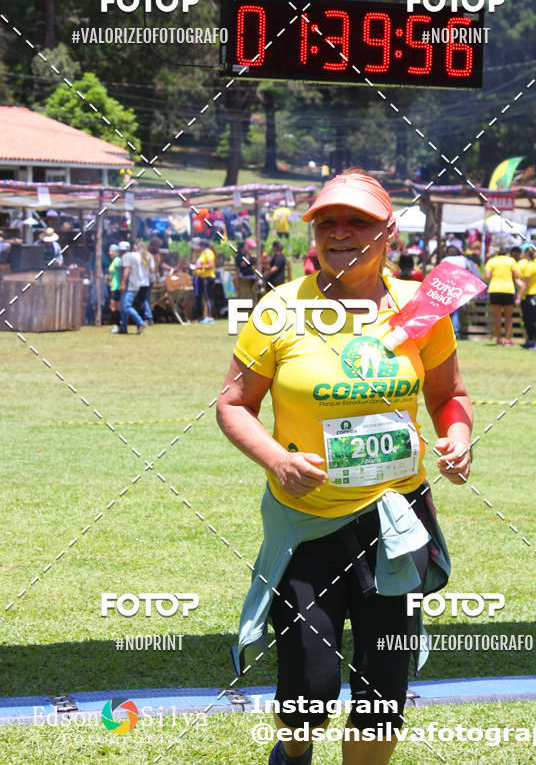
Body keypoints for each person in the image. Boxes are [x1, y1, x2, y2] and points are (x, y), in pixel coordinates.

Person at [216, 169, 472, 765]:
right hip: (309, 525)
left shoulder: (421, 305)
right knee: (311, 684)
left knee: (383, 688)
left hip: (397, 518)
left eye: (358, 221)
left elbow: (447, 394)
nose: (341, 232)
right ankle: (294, 754)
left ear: (388, 234)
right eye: (327, 222)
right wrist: (277, 459)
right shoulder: (281, 309)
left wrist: (457, 437)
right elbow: (234, 405)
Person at [484, 247, 522, 345]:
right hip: (508, 289)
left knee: (497, 316)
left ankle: (498, 339)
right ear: (506, 253)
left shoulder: (491, 261)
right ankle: (507, 339)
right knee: (508, 316)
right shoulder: (511, 261)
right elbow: (516, 275)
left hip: (494, 289)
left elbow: (487, 276)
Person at [442, 244, 480, 339]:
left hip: (446, 287)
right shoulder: (463, 259)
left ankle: (448, 332)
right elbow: (470, 272)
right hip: (459, 287)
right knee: (456, 311)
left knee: (447, 311)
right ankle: (455, 332)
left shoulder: (445, 260)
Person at [515, 243, 536, 350]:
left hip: (531, 294)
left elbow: (526, 284)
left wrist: (519, 297)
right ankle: (532, 340)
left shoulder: (530, 266)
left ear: (527, 253)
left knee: (532, 318)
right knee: (531, 318)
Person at [118, 240, 147, 335]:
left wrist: (122, 283)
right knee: (123, 307)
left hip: (129, 286)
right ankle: (123, 328)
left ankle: (140, 322)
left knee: (126, 306)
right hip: (133, 285)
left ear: (121, 250)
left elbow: (126, 270)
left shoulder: (125, 257)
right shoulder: (132, 256)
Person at [192, 238, 216, 323]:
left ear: (202, 246)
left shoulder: (208, 253)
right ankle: (206, 316)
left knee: (208, 297)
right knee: (206, 297)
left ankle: (210, 317)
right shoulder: (204, 253)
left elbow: (210, 265)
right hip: (203, 277)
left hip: (208, 277)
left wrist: (199, 267)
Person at [134, 241, 154, 325]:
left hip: (137, 281)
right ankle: (148, 317)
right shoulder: (149, 256)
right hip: (147, 281)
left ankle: (146, 318)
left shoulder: (135, 256)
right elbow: (152, 270)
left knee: (141, 301)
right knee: (145, 300)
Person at [107, 243, 122, 333]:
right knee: (113, 306)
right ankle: (117, 324)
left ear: (116, 252)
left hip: (117, 286)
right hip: (113, 286)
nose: (110, 253)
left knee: (114, 306)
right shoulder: (113, 261)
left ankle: (117, 324)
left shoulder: (117, 261)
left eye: (112, 251)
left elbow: (120, 271)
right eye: (109, 251)